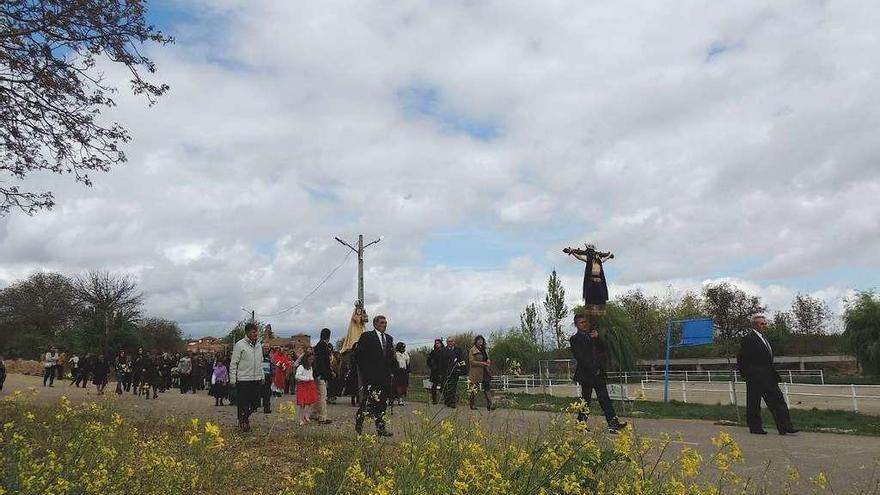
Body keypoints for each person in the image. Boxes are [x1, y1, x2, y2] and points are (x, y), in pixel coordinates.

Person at [737, 315, 798, 435]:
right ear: (755, 325)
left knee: (778, 400)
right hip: (755, 377)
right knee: (754, 403)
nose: (765, 326)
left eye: (765, 323)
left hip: (769, 376)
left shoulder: (764, 338)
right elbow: (742, 358)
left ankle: (785, 426)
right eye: (762, 324)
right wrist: (747, 374)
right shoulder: (749, 339)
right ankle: (755, 427)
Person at [569, 314, 627, 433]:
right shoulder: (575, 339)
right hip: (586, 374)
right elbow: (580, 357)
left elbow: (602, 350)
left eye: (586, 322)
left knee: (605, 399)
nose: (585, 324)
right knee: (586, 401)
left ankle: (613, 424)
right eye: (581, 323)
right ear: (576, 325)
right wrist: (592, 368)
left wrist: (597, 338)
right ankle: (581, 425)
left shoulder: (594, 336)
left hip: (599, 373)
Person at [353, 315, 394, 436]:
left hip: (385, 377)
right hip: (371, 376)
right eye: (382, 322)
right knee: (367, 402)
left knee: (382, 403)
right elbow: (358, 356)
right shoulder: (367, 337)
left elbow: (389, 357)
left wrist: (391, 371)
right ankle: (359, 423)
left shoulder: (389, 338)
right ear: (375, 324)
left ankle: (381, 428)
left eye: (385, 323)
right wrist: (365, 372)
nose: (384, 325)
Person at [230, 323, 264, 432]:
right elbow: (233, 363)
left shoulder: (259, 345)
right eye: (253, 332)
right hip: (243, 379)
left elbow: (260, 362)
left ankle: (244, 418)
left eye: (256, 332)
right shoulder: (240, 345)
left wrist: (261, 375)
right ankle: (243, 422)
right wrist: (233, 379)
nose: (256, 334)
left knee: (255, 404)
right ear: (247, 333)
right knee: (243, 403)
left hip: (256, 379)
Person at [468, 336, 494, 411]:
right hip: (476, 371)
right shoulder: (472, 350)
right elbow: (471, 362)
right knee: (474, 388)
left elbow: (486, 358)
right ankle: (472, 404)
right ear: (476, 341)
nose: (480, 341)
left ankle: (490, 404)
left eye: (481, 340)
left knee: (487, 387)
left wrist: (488, 361)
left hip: (485, 371)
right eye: (479, 340)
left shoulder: (484, 349)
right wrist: (483, 363)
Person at [313, 328, 334, 423]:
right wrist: (328, 373)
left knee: (317, 395)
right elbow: (324, 363)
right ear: (328, 336)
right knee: (322, 395)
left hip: (317, 374)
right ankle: (323, 416)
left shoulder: (317, 346)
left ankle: (315, 413)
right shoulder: (324, 346)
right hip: (321, 374)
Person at [295, 349, 319, 425]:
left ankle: (306, 415)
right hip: (302, 386)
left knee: (309, 403)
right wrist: (306, 379)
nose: (311, 361)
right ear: (306, 359)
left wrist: (311, 379)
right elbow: (297, 376)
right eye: (310, 359)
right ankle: (300, 419)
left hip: (310, 385)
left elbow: (310, 375)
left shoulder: (310, 367)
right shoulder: (301, 367)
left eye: (312, 359)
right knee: (302, 404)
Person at [441, 337, 465, 408]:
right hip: (446, 371)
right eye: (448, 341)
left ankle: (452, 402)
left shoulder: (458, 350)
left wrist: (462, 368)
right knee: (446, 386)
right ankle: (448, 400)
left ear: (454, 342)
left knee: (453, 386)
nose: (450, 343)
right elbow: (441, 362)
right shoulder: (443, 350)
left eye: (451, 341)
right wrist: (441, 372)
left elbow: (461, 360)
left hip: (455, 371)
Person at [392, 342, 410, 406]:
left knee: (404, 386)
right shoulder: (395, 355)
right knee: (397, 386)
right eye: (402, 347)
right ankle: (396, 399)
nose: (403, 348)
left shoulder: (406, 355)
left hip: (404, 372)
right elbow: (393, 365)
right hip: (397, 372)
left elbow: (408, 364)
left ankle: (401, 399)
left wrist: (408, 371)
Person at [427, 339, 444, 404]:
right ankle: (434, 400)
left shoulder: (444, 351)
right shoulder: (433, 352)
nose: (437, 344)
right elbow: (428, 361)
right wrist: (432, 366)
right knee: (434, 386)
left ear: (441, 344)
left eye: (438, 343)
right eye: (436, 343)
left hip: (443, 371)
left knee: (443, 386)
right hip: (435, 372)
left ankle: (445, 399)